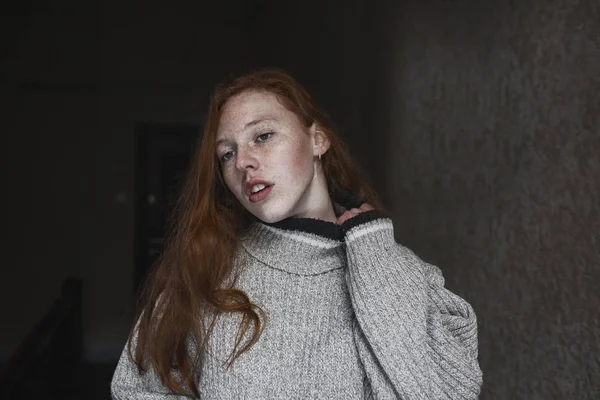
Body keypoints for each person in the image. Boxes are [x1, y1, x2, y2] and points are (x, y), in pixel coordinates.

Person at [111, 68, 483, 399]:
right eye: (227, 154)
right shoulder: (205, 270)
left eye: (263, 136)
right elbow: (135, 387)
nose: (243, 162)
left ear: (317, 140)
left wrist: (373, 253)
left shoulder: (406, 275)